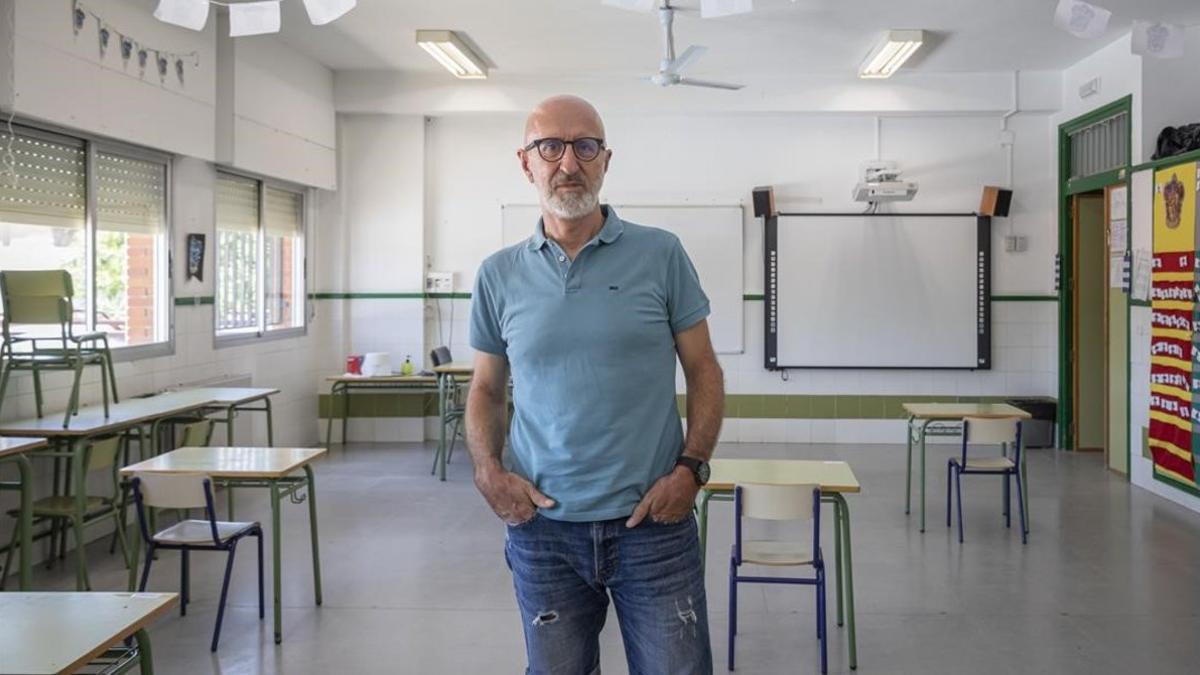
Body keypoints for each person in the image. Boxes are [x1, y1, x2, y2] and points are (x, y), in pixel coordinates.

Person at [466, 94, 725, 674]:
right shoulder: (498, 275)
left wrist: (692, 469)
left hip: (654, 526)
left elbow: (704, 367)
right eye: (550, 147)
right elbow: (486, 387)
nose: (568, 163)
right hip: (543, 530)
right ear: (525, 161)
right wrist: (488, 470)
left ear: (605, 160)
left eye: (585, 147)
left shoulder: (661, 255)